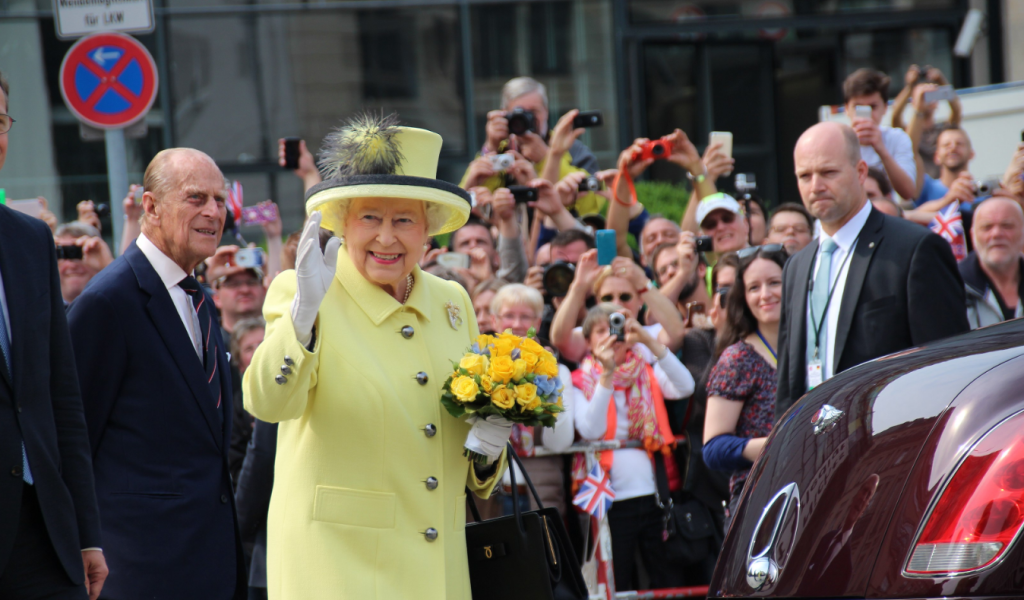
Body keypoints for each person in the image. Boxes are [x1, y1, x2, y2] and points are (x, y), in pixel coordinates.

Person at [243, 115, 508, 600]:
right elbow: (267, 403)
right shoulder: (304, 294)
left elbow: (464, 465)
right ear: (344, 222)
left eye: (403, 220)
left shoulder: (454, 303)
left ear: (427, 229)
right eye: (371, 218)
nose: (387, 238)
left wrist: (487, 453)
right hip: (339, 571)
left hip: (441, 574)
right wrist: (303, 315)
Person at [67, 148, 246, 600]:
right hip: (141, 571)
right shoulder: (109, 301)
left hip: (209, 567)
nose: (213, 212)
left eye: (220, 201)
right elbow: (73, 441)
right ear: (149, 207)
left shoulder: (198, 296)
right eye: (196, 198)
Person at [775, 122, 969, 418]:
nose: (815, 186)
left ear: (861, 172)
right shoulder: (796, 266)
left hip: (892, 446)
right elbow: (789, 383)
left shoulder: (915, 249)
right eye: (805, 175)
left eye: (828, 172)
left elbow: (948, 372)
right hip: (812, 451)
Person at [0, 69, 108, 600]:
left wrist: (87, 533)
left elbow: (61, 397)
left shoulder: (28, 241)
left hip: (43, 531)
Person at [573, 304, 695, 590]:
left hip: (655, 495)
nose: (611, 336)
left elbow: (685, 386)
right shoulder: (580, 379)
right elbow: (591, 430)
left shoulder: (646, 370)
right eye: (601, 331)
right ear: (588, 341)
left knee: (664, 579)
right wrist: (606, 374)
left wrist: (648, 341)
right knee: (620, 581)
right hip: (610, 500)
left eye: (616, 327)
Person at [702, 246, 786, 527]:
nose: (765, 295)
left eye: (775, 282)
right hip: (761, 503)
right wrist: (776, 445)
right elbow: (713, 448)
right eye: (754, 287)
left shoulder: (815, 347)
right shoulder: (738, 357)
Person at [489, 284, 575, 516]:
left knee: (546, 551)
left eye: (525, 316)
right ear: (494, 321)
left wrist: (547, 385)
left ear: (537, 323)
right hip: (489, 492)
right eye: (508, 315)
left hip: (541, 491)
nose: (516, 324)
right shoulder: (478, 366)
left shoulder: (556, 371)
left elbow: (559, 443)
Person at [843, 68, 918, 200]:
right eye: (859, 108)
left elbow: (908, 192)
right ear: (847, 109)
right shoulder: (836, 141)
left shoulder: (897, 138)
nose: (867, 115)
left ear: (885, 107)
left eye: (873, 107)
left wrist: (881, 148)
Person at [960, 197, 1024, 328]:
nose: (996, 234)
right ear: (972, 235)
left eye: (1007, 226)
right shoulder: (953, 287)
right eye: (986, 227)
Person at [229, 317, 266, 484]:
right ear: (240, 365)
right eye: (249, 349)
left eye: (263, 343)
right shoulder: (235, 409)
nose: (258, 351)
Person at [53, 222, 114, 305]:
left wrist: (108, 267)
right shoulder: (43, 310)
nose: (72, 265)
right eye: (64, 254)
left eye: (79, 253)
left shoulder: (114, 304)